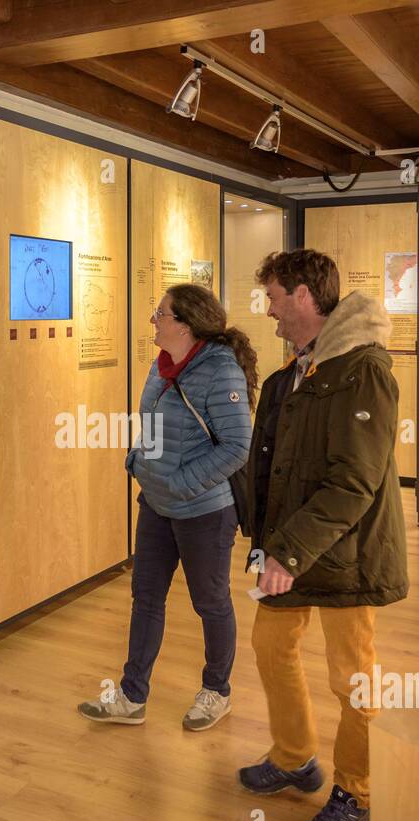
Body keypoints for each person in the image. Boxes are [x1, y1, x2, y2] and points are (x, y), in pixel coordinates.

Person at [238, 249, 408, 821]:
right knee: (269, 644)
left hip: (345, 553)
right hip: (290, 547)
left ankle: (356, 791)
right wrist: (263, 542)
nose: (270, 311)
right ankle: (293, 757)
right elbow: (275, 467)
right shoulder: (295, 374)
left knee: (352, 676)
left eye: (275, 298)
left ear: (305, 296)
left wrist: (287, 552)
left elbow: (353, 482)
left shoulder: (362, 370)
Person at [79, 283, 254, 731]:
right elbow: (152, 424)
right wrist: (138, 459)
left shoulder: (220, 371)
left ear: (186, 324)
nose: (153, 321)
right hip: (156, 505)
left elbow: (237, 447)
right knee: (146, 598)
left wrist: (181, 483)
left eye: (161, 314)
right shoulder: (160, 368)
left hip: (205, 511)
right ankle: (131, 696)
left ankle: (217, 691)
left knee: (210, 602)